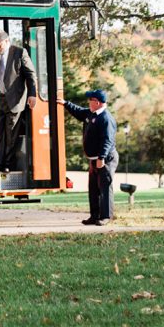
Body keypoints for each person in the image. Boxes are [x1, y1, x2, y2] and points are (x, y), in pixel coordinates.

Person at [62, 88, 118, 225]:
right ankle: (95, 216)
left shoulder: (106, 118)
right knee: (93, 189)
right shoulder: (91, 114)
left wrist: (101, 158)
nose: (88, 102)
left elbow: (107, 140)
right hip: (94, 159)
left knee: (105, 188)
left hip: (105, 159)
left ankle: (106, 216)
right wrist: (65, 103)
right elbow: (78, 111)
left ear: (97, 102)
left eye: (90, 100)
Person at [0, 30, 38, 175]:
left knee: (10, 134)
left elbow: (30, 75)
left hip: (14, 99)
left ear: (6, 41)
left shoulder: (19, 52)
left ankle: (7, 164)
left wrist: (32, 94)